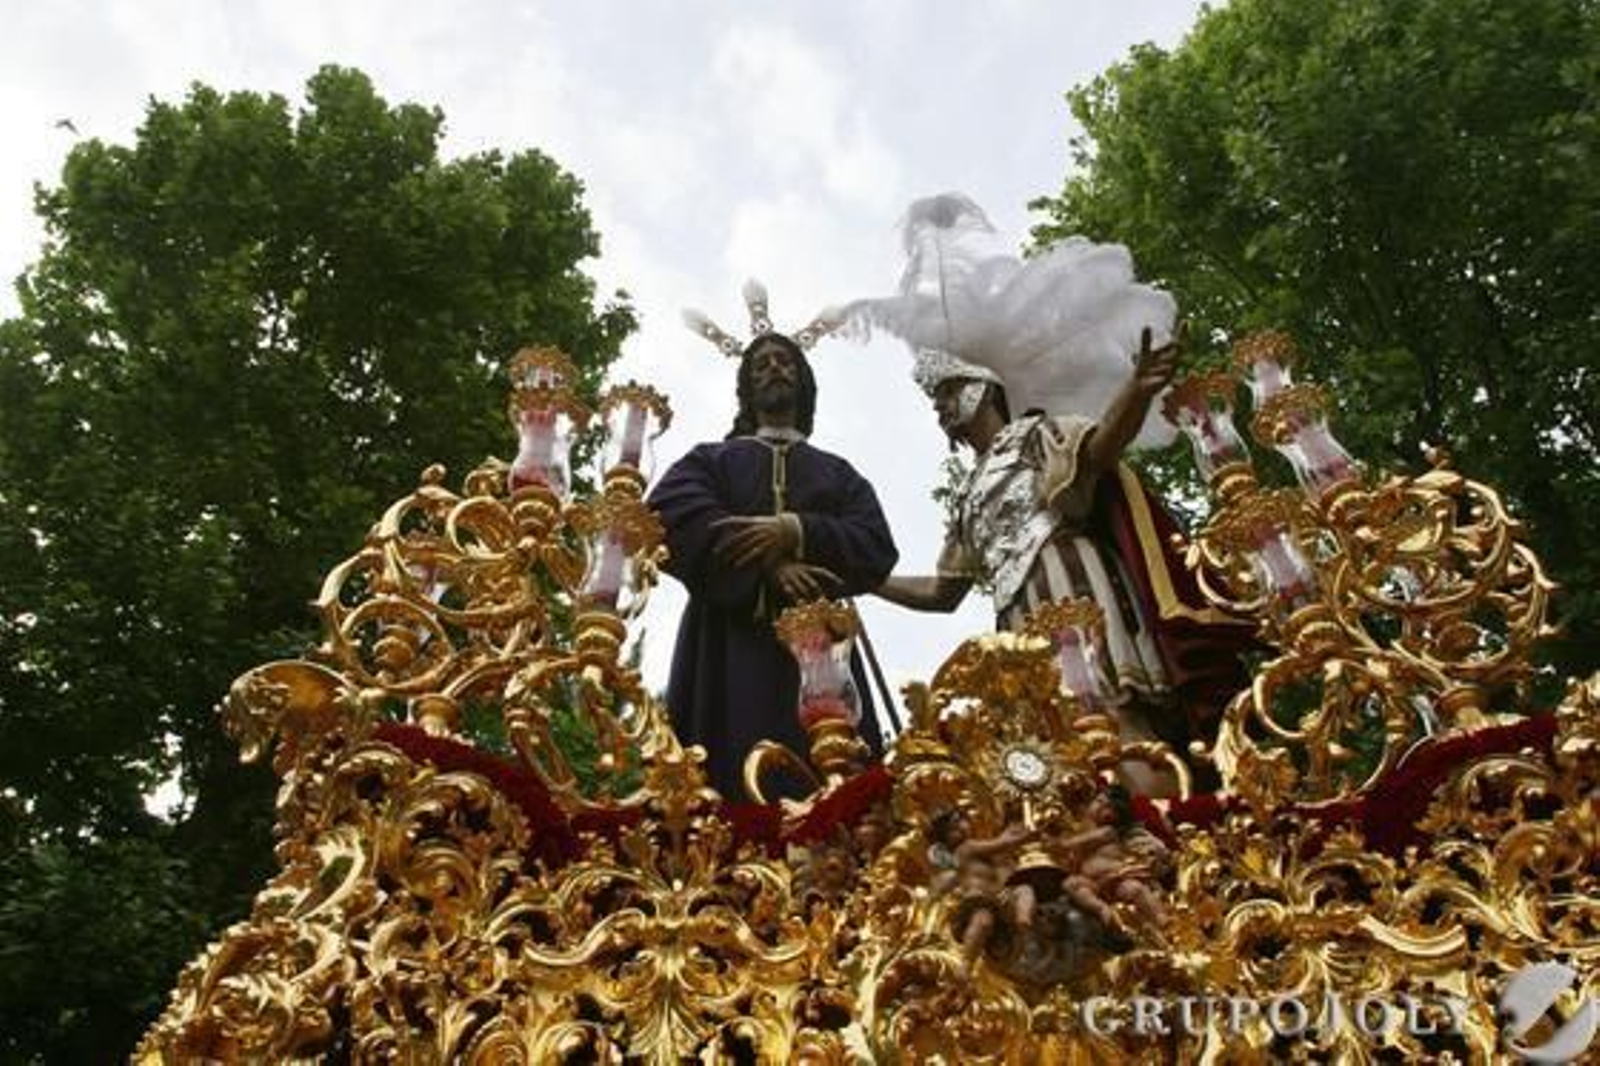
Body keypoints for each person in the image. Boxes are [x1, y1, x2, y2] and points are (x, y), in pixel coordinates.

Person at [874, 337, 1252, 795]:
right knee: (1053, 748)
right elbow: (942, 591)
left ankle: (1161, 824)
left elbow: (1098, 452)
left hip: (1073, 584)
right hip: (1015, 620)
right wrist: (865, 580)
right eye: (936, 398)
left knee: (1111, 715)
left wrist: (1136, 391)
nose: (940, 406)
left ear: (985, 389)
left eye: (950, 390)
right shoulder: (967, 496)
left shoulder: (1038, 436)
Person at [649, 300, 899, 801]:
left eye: (784, 361)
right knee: (725, 768)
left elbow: (874, 543)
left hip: (824, 650)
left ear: (803, 380)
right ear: (747, 387)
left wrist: (796, 530)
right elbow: (670, 512)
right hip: (726, 640)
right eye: (760, 364)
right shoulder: (713, 460)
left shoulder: (837, 473)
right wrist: (769, 566)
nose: (773, 368)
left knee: (841, 786)